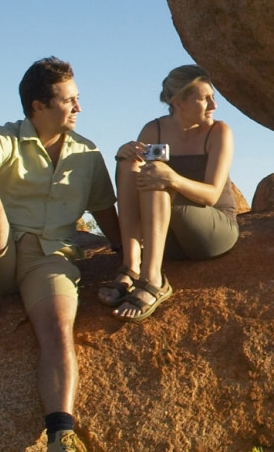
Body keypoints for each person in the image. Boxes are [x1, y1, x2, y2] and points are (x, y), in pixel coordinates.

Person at [0, 57, 121, 452]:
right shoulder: (5, 138)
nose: (78, 108)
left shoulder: (87, 152)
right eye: (68, 100)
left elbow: (106, 216)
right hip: (0, 250)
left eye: (78, 99)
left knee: (58, 331)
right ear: (38, 105)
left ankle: (59, 445)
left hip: (51, 259)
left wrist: (139, 259)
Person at [100, 64, 239, 321]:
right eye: (204, 98)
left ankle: (153, 279)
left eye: (213, 96)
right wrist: (125, 154)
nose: (213, 105)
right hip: (166, 238)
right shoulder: (155, 130)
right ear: (178, 103)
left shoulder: (219, 132)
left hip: (211, 230)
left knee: (158, 179)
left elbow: (210, 195)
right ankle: (132, 266)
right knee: (130, 164)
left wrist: (173, 178)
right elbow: (135, 179)